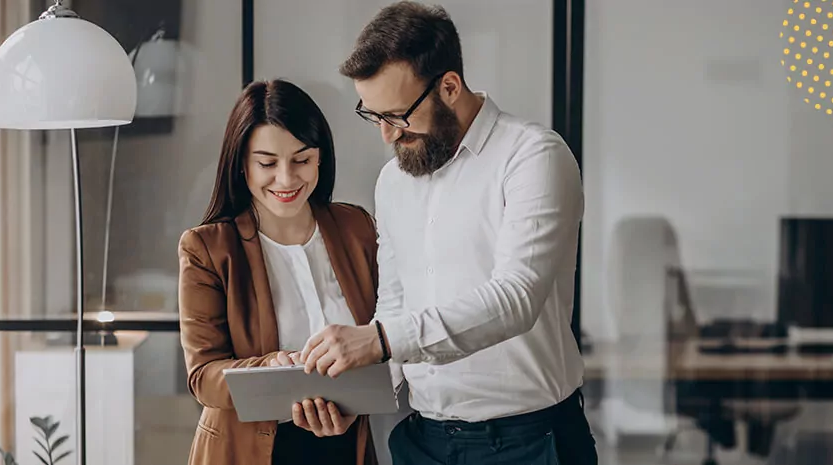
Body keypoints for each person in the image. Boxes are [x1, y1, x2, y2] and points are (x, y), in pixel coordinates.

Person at [297, 2, 598, 464]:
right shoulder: (393, 182)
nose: (387, 136)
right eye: (373, 115)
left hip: (530, 443)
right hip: (422, 441)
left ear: (450, 86)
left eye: (397, 116)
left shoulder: (533, 157)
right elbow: (396, 304)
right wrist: (354, 398)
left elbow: (516, 298)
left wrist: (378, 339)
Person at [177, 79, 378, 465]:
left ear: (321, 157)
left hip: (347, 444)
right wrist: (267, 368)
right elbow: (203, 376)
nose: (286, 180)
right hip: (247, 449)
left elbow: (387, 334)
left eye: (301, 160)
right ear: (241, 164)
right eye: (267, 163)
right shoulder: (208, 248)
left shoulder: (357, 229)